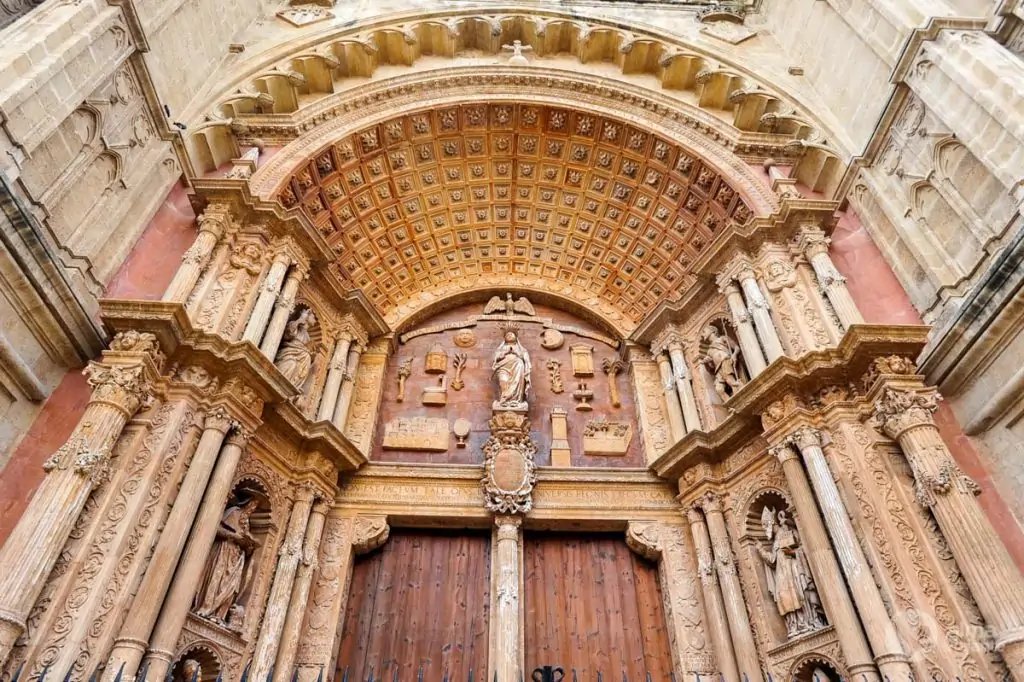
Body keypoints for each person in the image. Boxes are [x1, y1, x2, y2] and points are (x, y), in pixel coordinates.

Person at [194, 496, 260, 622]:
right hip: (224, 551)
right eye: (252, 504)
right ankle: (206, 608)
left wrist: (249, 545)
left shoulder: (246, 523)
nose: (253, 508)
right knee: (217, 578)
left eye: (255, 507)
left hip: (237, 557)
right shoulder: (233, 513)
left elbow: (247, 546)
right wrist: (234, 536)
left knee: (231, 587)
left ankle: (219, 615)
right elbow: (216, 528)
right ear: (246, 503)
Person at [492, 328, 531, 408]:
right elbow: (496, 358)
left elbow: (525, 359)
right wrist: (504, 353)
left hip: (518, 366)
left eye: (511, 334)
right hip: (503, 367)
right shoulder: (501, 348)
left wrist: (516, 352)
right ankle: (504, 400)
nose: (509, 336)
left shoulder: (521, 348)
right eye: (507, 335)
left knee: (517, 382)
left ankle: (515, 401)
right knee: (503, 381)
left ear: (516, 337)